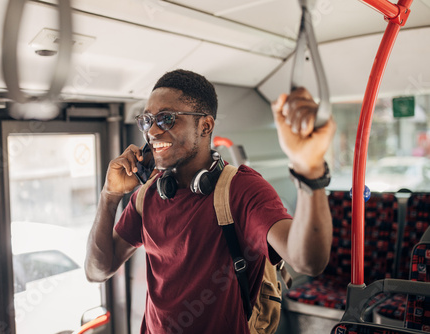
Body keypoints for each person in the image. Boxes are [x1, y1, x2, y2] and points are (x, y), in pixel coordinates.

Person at [85, 69, 336, 333]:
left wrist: (309, 169)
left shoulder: (241, 190)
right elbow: (97, 271)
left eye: (167, 119)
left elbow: (308, 261)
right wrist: (109, 196)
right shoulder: (146, 196)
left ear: (205, 126)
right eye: (147, 121)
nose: (153, 131)